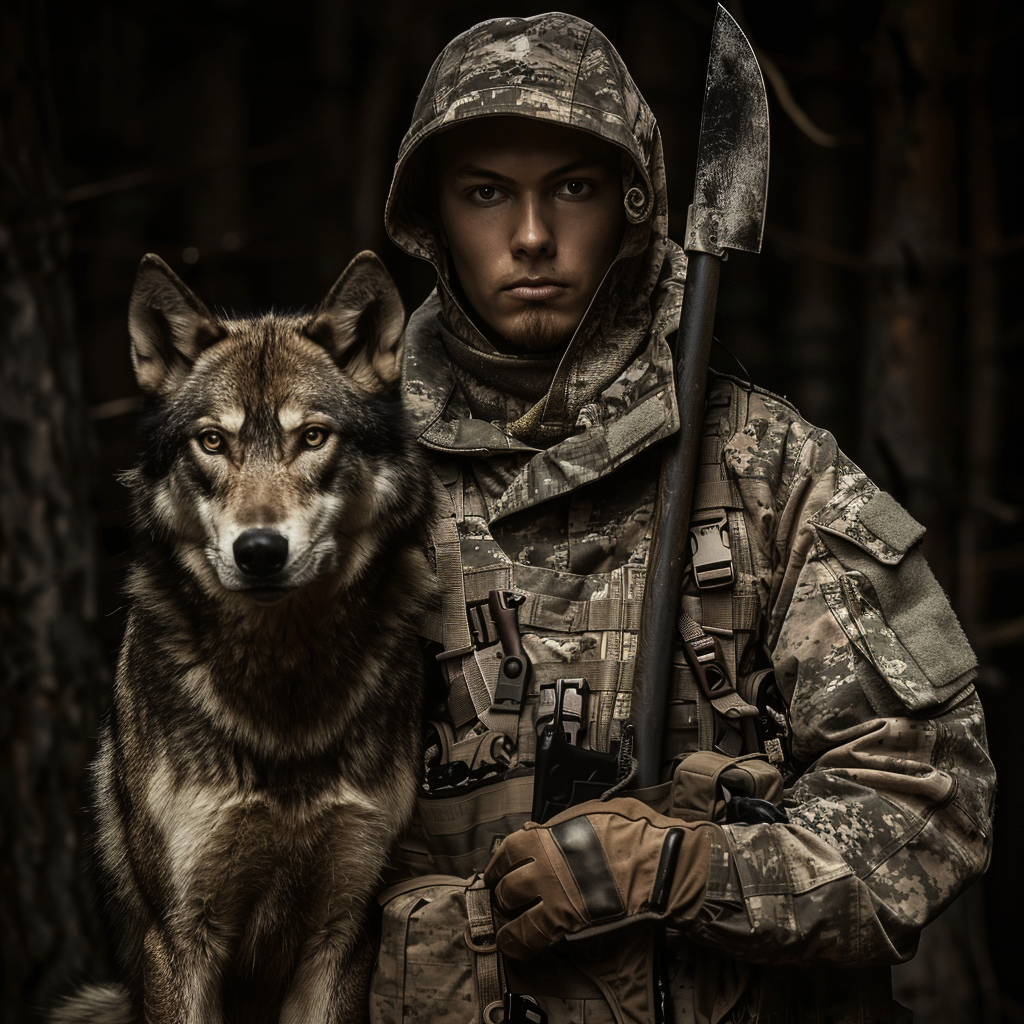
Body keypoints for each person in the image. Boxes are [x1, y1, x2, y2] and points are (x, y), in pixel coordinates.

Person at [373, 13, 995, 1023]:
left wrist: (680, 868)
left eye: (571, 188)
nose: (530, 236)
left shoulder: (770, 475)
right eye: (485, 192)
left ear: (629, 207)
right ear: (431, 219)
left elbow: (927, 806)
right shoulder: (351, 488)